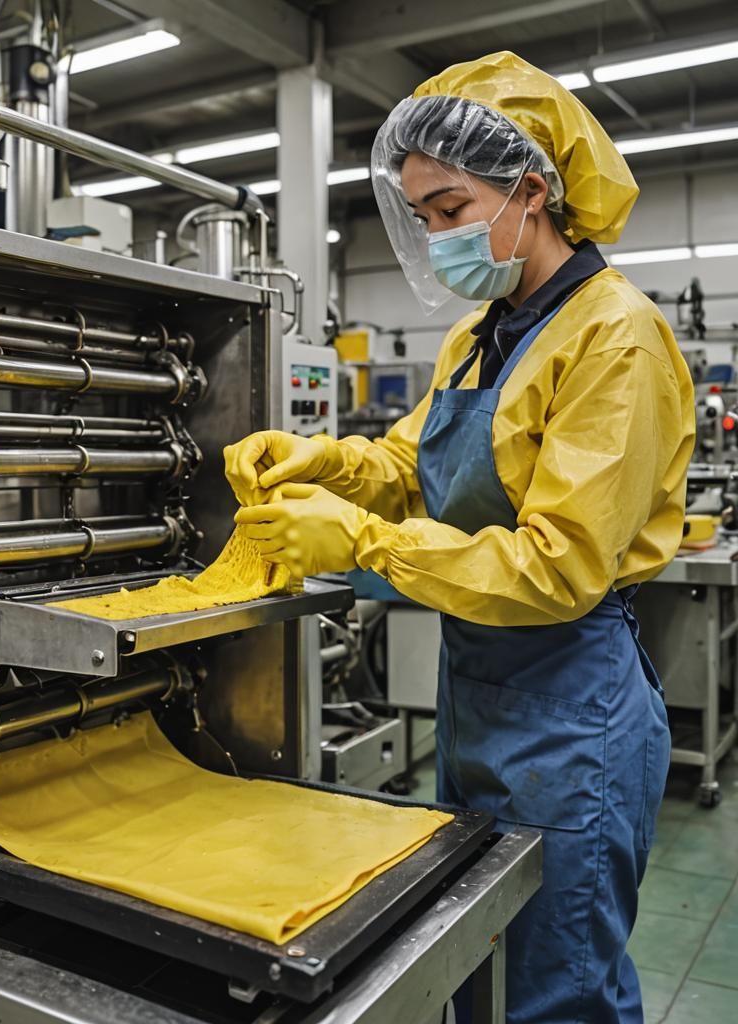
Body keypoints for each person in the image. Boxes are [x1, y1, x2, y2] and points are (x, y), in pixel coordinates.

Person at [225, 51, 694, 1024]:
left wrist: (361, 542)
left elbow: (557, 567)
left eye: (448, 209)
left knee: (556, 985)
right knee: (478, 956)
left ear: (530, 191)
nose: (435, 236)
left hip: (572, 709)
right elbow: (410, 463)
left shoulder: (613, 335)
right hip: (479, 691)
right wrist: (323, 460)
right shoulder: (483, 333)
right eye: (423, 216)